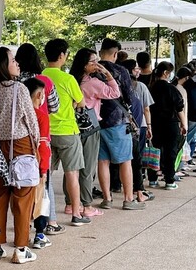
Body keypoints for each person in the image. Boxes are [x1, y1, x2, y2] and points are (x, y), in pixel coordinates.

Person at [0, 47, 40, 261]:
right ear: (3, 65)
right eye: (13, 60)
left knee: (0, 194)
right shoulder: (19, 88)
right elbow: (31, 121)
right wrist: (37, 145)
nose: (17, 63)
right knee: (23, 197)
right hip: (21, 145)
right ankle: (21, 249)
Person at [69, 48, 122, 220]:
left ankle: (71, 203)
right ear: (84, 65)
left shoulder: (72, 80)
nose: (97, 64)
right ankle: (86, 204)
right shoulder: (92, 83)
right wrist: (108, 74)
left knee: (72, 166)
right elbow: (115, 93)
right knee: (88, 166)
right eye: (93, 61)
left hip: (73, 126)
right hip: (90, 126)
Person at [97, 38, 145, 210]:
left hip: (96, 122)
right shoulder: (120, 71)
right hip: (117, 120)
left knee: (102, 161)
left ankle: (107, 198)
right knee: (125, 160)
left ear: (100, 51)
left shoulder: (90, 70)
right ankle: (128, 199)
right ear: (115, 54)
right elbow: (130, 98)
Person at [41, 39, 84, 231]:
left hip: (47, 134)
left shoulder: (40, 76)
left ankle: (47, 217)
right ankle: (76, 213)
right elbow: (81, 102)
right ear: (61, 55)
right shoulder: (68, 79)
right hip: (68, 132)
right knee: (72, 174)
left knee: (46, 177)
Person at [22, 77, 53, 247]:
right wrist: (44, 167)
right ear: (40, 95)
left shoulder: (21, 114)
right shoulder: (41, 116)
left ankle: (23, 232)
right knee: (40, 199)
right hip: (38, 163)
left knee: (23, 200)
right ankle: (39, 234)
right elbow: (43, 143)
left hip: (21, 162)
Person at [147, 62, 187, 189]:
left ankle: (152, 179)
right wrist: (184, 124)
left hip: (154, 124)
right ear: (165, 73)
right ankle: (169, 180)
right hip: (171, 124)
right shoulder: (171, 89)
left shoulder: (150, 88)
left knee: (154, 151)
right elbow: (180, 107)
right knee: (171, 152)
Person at [121, 59, 154, 204]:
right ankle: (138, 190)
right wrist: (149, 125)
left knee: (121, 159)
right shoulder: (140, 86)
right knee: (136, 158)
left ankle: (116, 186)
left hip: (120, 126)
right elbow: (146, 108)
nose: (138, 71)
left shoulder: (118, 86)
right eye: (135, 68)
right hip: (138, 126)